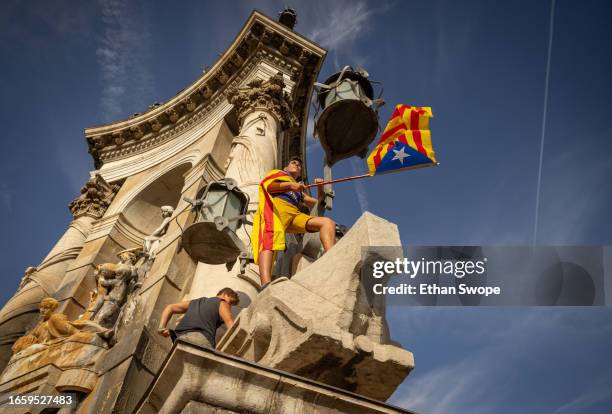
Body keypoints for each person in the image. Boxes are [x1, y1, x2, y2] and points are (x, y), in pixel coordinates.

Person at [252, 156, 336, 289]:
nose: (297, 165)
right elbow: (268, 186)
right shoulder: (278, 174)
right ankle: (266, 283)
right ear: (286, 167)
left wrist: (320, 188)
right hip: (276, 210)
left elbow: (316, 204)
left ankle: (333, 258)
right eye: (294, 163)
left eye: (299, 165)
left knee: (327, 223)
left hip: (294, 214)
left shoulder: (299, 190)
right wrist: (291, 185)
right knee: (269, 241)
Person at [157, 287, 239, 349]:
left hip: (178, 339)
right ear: (224, 295)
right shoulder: (223, 302)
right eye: (230, 302)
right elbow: (230, 323)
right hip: (199, 339)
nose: (230, 306)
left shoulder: (198, 301)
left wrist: (161, 327)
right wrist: (237, 343)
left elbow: (170, 307)